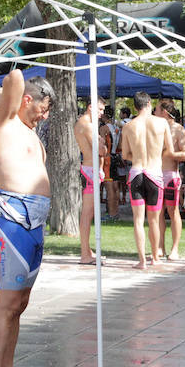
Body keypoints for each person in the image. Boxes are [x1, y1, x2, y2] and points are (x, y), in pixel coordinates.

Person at [0, 70, 54, 367]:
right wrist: (20, 43)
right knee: (7, 305)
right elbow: (15, 77)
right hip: (12, 221)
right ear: (27, 100)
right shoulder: (3, 123)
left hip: (34, 224)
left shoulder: (29, 133)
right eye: (44, 107)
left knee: (20, 305)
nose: (46, 114)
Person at [121, 92, 177, 269]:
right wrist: (155, 154)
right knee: (154, 219)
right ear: (149, 103)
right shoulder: (161, 123)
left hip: (137, 171)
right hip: (154, 172)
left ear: (135, 106)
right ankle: (155, 257)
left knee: (138, 220)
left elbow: (124, 154)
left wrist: (138, 155)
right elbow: (170, 149)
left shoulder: (129, 126)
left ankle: (142, 261)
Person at [74, 97, 107, 265]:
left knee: (89, 213)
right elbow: (100, 150)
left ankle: (87, 251)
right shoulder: (87, 125)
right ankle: (84, 254)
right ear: (90, 107)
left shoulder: (87, 124)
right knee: (87, 214)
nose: (102, 114)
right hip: (90, 171)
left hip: (91, 170)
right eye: (100, 110)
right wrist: (103, 143)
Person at [157, 99, 185, 261]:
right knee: (157, 212)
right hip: (155, 175)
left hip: (170, 175)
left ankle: (174, 248)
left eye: (156, 110)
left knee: (173, 211)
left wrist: (171, 154)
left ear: (164, 112)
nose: (154, 113)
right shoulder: (155, 128)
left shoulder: (179, 130)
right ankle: (160, 247)